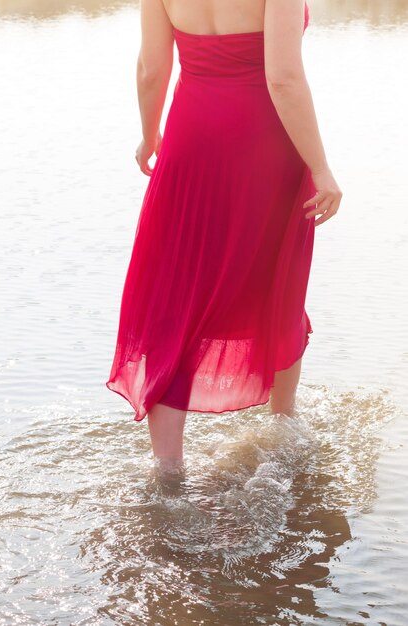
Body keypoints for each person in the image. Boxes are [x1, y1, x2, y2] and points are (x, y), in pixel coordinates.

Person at [106, 0, 342, 475]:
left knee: (176, 295)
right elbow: (283, 79)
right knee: (276, 280)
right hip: (264, 145)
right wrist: (321, 168)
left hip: (189, 139)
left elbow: (153, 67)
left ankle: (167, 466)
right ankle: (283, 428)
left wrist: (149, 135)